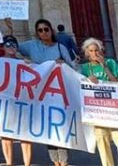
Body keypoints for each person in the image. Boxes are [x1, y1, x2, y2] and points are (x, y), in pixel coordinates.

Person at [16, 18, 74, 166]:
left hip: (59, 93)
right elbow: (12, 49)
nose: (43, 32)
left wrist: (64, 64)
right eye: (40, 30)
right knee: (47, 128)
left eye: (46, 29)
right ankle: (55, 161)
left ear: (51, 30)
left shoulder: (61, 48)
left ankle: (64, 161)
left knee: (61, 126)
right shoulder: (31, 46)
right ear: (37, 33)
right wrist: (23, 60)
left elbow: (72, 67)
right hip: (40, 94)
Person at [80, 37, 118, 166]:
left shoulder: (111, 63)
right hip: (98, 113)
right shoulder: (84, 68)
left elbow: (116, 83)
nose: (95, 53)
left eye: (97, 50)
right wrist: (87, 79)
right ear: (87, 53)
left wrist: (105, 67)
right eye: (91, 51)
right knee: (103, 144)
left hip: (114, 111)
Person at [0, 35, 32, 166]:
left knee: (25, 134)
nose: (10, 47)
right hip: (5, 101)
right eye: (7, 45)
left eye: (13, 45)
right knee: (6, 133)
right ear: (3, 47)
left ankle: (27, 163)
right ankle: (9, 163)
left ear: (17, 47)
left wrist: (29, 65)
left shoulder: (23, 62)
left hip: (22, 101)